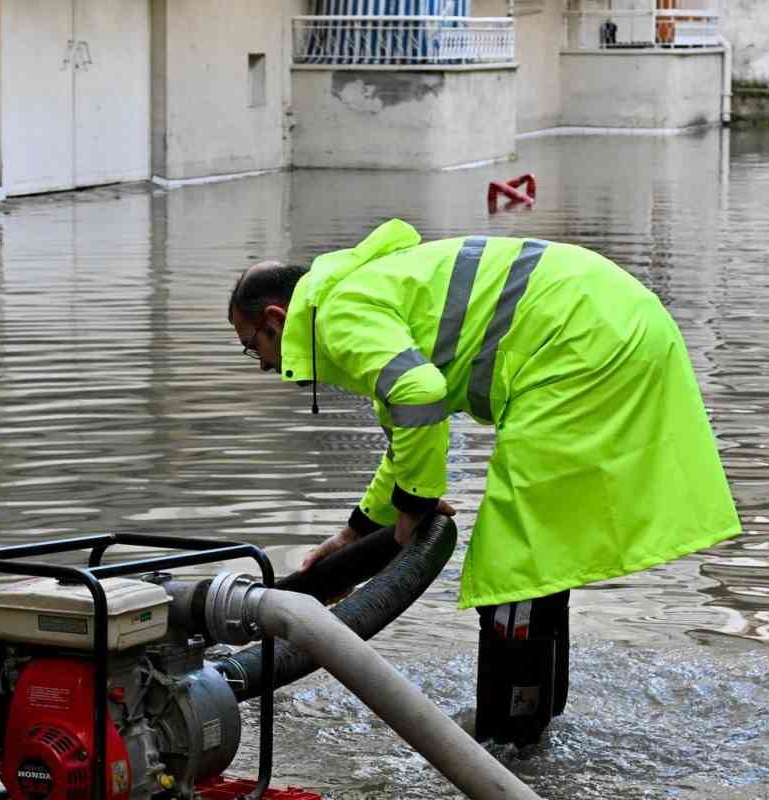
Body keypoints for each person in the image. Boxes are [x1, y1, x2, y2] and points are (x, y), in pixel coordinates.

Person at [227, 219, 740, 748]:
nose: (264, 365)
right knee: (535, 551)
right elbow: (410, 428)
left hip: (583, 340)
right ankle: (533, 722)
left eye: (253, 348)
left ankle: (509, 740)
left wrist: (415, 505)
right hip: (604, 321)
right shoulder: (354, 294)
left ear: (276, 317)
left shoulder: (336, 315)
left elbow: (419, 395)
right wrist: (355, 536)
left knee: (512, 561)